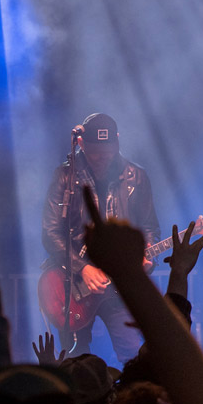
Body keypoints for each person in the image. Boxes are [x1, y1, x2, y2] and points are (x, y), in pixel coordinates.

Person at [42, 113, 161, 362]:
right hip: (74, 283)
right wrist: (83, 268)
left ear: (117, 142)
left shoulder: (136, 177)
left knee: (132, 353)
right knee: (76, 359)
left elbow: (149, 228)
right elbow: (51, 233)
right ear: (82, 145)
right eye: (95, 151)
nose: (102, 157)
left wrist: (147, 260)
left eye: (108, 150)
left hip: (118, 285)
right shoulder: (66, 176)